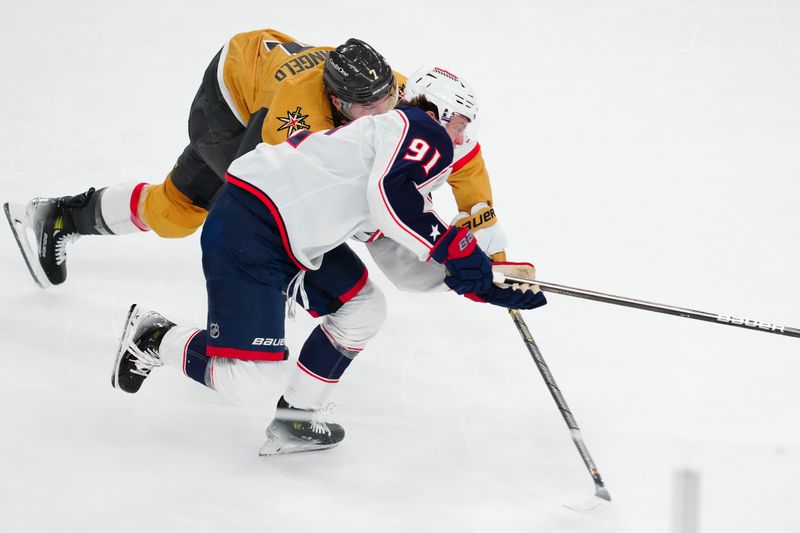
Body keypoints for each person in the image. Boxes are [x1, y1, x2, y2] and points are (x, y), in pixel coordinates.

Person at [111, 85, 547, 456]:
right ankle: (152, 335)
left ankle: (293, 419)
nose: (462, 137)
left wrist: (478, 282)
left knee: (364, 308)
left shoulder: (395, 161)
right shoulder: (416, 127)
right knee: (245, 379)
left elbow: (403, 262)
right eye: (460, 123)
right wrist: (456, 249)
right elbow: (391, 199)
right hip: (251, 226)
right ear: (437, 108)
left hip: (290, 239)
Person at [4, 31, 509, 290]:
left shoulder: (390, 89)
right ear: (337, 103)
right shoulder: (294, 116)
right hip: (233, 100)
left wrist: (483, 224)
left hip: (266, 60)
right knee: (184, 213)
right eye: (368, 110)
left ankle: (60, 215)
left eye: (389, 102)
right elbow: (282, 195)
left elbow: (458, 156)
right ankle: (66, 214)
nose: (385, 115)